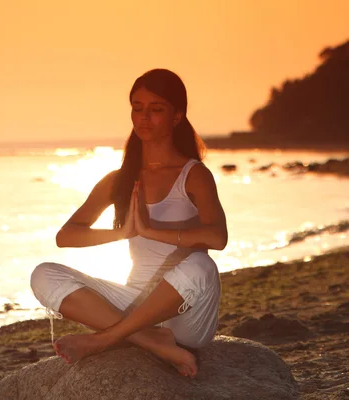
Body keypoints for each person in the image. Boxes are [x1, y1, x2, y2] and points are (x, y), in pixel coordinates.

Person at [29, 69, 228, 378]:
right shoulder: (120, 179)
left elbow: (218, 237)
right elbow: (66, 236)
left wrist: (151, 231)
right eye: (137, 107)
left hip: (185, 316)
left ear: (177, 116)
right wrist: (121, 233)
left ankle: (107, 338)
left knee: (201, 266)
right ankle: (150, 341)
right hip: (134, 303)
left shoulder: (194, 175)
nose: (144, 117)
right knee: (43, 275)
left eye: (156, 109)